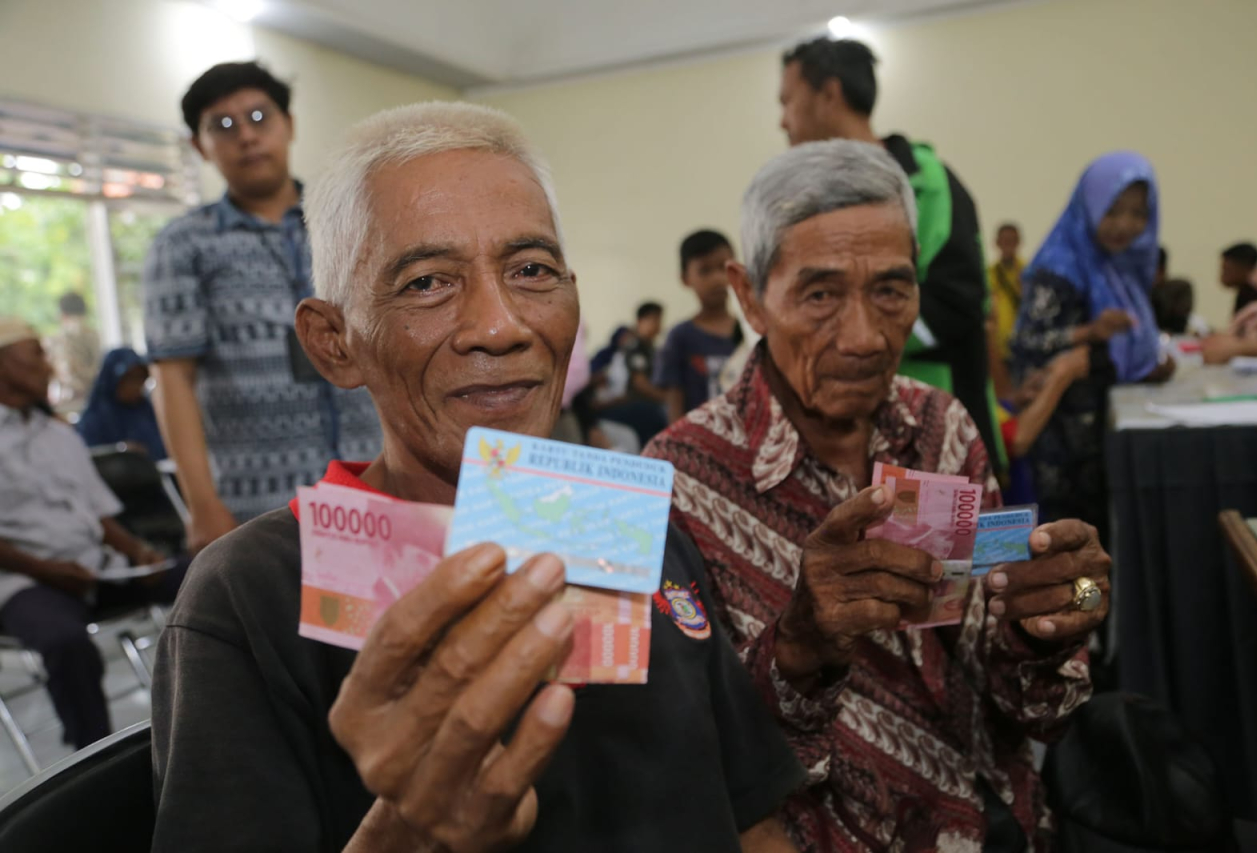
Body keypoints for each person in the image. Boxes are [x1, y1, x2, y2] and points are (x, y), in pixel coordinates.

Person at [149, 102, 804, 853]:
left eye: (531, 271)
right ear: (335, 343)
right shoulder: (251, 596)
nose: (500, 324)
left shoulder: (634, 525)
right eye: (428, 281)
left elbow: (752, 819)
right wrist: (408, 834)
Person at [646, 140, 1111, 851]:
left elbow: (1033, 706)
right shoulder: (680, 482)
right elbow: (684, 760)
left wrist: (1057, 619)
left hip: (1010, 823)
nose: (865, 338)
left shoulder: (942, 429)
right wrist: (800, 644)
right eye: (821, 293)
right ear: (750, 297)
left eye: (891, 290)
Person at [143, 61, 382, 552]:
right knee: (275, 629)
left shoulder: (349, 221)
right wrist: (202, 502)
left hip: (374, 478)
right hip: (257, 500)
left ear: (288, 124)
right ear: (199, 146)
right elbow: (174, 379)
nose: (247, 137)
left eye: (259, 117)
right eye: (223, 126)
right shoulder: (184, 245)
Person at [778, 37, 1004, 475]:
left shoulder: (927, 183)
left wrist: (853, 344)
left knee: (942, 543)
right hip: (843, 436)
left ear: (829, 94)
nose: (781, 120)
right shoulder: (801, 197)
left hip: (935, 433)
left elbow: (957, 304)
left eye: (788, 100)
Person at [0, 318, 182, 750]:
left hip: (95, 570)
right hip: (25, 582)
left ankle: (214, 713)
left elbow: (99, 517)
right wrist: (49, 571)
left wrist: (138, 552)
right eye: (36, 354)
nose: (48, 365)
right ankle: (92, 758)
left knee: (209, 573)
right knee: (66, 642)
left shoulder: (58, 435)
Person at [1012, 152, 1173, 540]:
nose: (1126, 225)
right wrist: (1087, 333)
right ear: (1091, 204)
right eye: (1113, 210)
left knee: (1099, 545)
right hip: (1062, 437)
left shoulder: (1118, 262)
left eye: (1138, 213)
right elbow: (1025, 342)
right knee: (1067, 544)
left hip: (1098, 429)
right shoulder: (1059, 266)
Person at [654, 230, 743, 423]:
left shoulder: (750, 332)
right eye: (705, 271)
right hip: (698, 443)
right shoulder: (680, 336)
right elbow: (674, 401)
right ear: (685, 279)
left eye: (723, 267)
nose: (717, 278)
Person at [596, 301, 667, 446]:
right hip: (624, 402)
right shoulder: (635, 346)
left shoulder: (650, 348)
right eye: (655, 320)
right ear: (642, 320)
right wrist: (667, 398)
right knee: (656, 416)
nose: (659, 326)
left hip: (635, 403)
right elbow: (639, 384)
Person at [76, 347, 168, 459]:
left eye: (141, 378)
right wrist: (119, 452)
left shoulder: (147, 411)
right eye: (130, 379)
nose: (136, 386)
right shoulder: (93, 419)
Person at [47, 291, 100, 411]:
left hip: (70, 400)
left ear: (62, 313)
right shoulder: (94, 335)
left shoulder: (58, 338)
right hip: (95, 396)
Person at [988, 222, 1025, 366]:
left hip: (1023, 345)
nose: (1008, 244)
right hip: (999, 348)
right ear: (997, 243)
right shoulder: (989, 275)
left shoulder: (1028, 273)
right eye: (1004, 240)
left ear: (1018, 242)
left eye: (1012, 240)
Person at [1220, 241, 1257, 317]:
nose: (1222, 276)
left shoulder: (1251, 299)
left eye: (1226, 270)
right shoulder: (1245, 293)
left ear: (1246, 268)